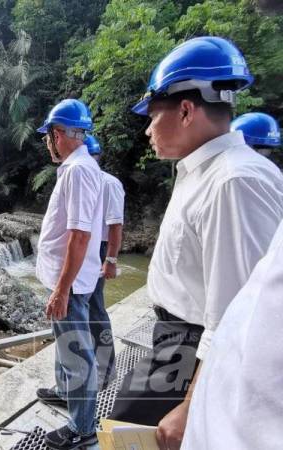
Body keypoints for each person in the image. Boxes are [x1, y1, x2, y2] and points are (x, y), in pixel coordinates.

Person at [107, 36, 283, 450]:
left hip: (193, 349)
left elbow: (238, 313)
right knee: (123, 427)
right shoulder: (206, 171)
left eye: (152, 116)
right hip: (175, 339)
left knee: (129, 434)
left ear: (186, 110)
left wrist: (192, 404)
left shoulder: (235, 183)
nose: (148, 130)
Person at [34, 99, 104, 450]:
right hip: (73, 279)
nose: (48, 142)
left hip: (71, 284)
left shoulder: (78, 171)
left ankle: (82, 429)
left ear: (58, 134)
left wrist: (61, 290)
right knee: (66, 343)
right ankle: (64, 393)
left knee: (77, 353)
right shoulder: (82, 168)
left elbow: (79, 235)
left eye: (49, 135)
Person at [182, 218, 283, 450]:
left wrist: (188, 404)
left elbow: (226, 294)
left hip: (186, 333)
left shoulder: (236, 183)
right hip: (217, 406)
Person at [85, 134, 125, 389]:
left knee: (96, 308)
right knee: (82, 308)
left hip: (98, 247)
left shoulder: (108, 183)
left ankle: (106, 370)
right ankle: (88, 365)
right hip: (83, 246)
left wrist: (110, 259)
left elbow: (115, 225)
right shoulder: (82, 181)